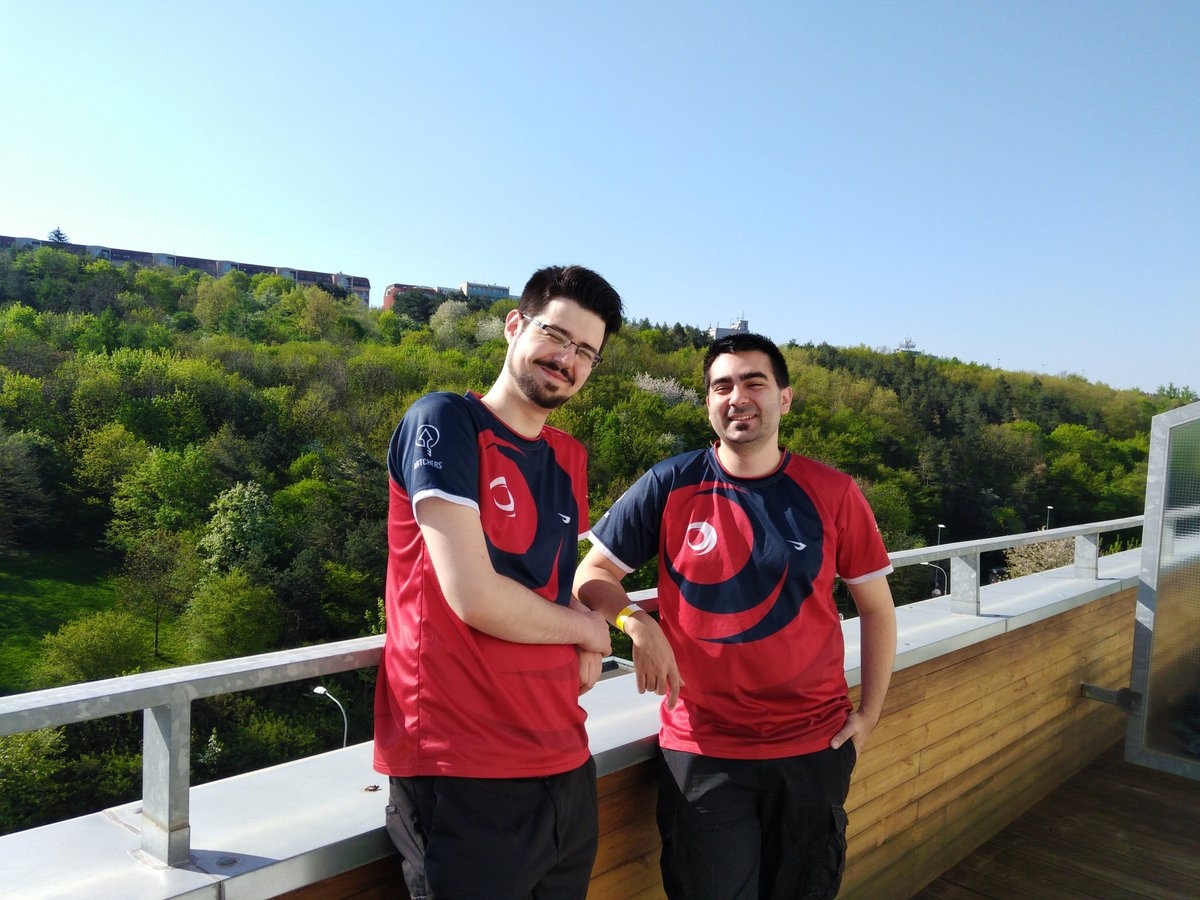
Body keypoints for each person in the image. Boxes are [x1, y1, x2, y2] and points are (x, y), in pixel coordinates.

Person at [575, 332, 898, 900]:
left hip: (813, 748)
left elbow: (876, 609)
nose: (737, 397)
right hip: (702, 752)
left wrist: (869, 715)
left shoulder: (832, 492)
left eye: (754, 383)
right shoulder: (670, 484)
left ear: (785, 399)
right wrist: (637, 622)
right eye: (722, 386)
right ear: (708, 403)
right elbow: (591, 575)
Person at [373, 264, 624, 900]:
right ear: (514, 325)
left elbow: (552, 587)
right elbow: (475, 597)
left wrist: (588, 627)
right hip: (463, 765)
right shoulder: (445, 421)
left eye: (586, 351)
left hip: (564, 758)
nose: (566, 359)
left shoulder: (567, 457)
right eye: (556, 336)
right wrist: (587, 632)